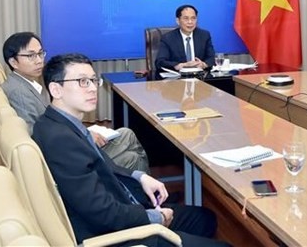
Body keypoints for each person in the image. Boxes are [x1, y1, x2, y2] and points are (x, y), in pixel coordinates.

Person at [32, 53, 228, 246]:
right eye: (82, 81)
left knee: (205, 218)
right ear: (56, 89)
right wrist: (153, 217)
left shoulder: (63, 123)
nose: (93, 88)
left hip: (122, 203)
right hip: (114, 232)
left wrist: (139, 176)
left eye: (93, 80)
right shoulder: (60, 139)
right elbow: (102, 213)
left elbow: (104, 165)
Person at [2, 32, 150, 173]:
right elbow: (37, 136)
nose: (39, 60)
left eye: (40, 53)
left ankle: (135, 186)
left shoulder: (24, 84)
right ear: (13, 61)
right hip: (67, 157)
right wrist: (83, 135)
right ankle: (143, 191)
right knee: (133, 155)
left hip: (68, 143)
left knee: (127, 134)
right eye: (31, 56)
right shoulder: (19, 92)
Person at [155, 4, 215, 78]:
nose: (190, 22)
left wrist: (204, 64)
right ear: (178, 20)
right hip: (177, 81)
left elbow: (211, 58)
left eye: (193, 18)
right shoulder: (168, 38)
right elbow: (160, 62)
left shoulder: (204, 35)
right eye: (186, 18)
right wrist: (180, 65)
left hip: (200, 78)